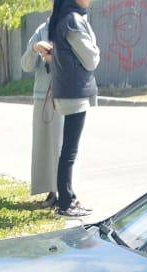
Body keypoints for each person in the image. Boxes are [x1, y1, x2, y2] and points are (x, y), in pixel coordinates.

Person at [44, 0, 99, 217]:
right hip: (74, 92)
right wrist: (96, 50)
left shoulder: (65, 18)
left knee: (68, 150)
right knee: (69, 151)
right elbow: (91, 59)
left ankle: (68, 198)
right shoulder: (73, 20)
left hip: (68, 90)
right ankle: (66, 203)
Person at [22, 18, 62, 208]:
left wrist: (54, 56)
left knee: (62, 147)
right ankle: (51, 191)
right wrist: (34, 48)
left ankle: (65, 192)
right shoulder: (41, 29)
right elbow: (26, 65)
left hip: (65, 95)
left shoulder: (73, 25)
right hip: (42, 96)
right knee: (43, 147)